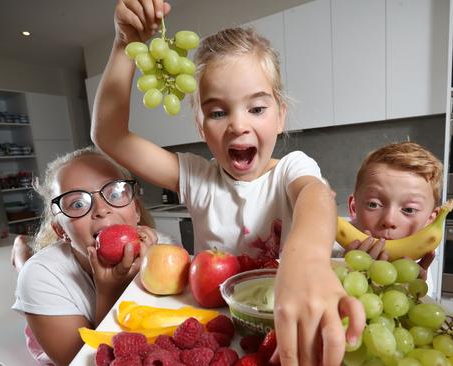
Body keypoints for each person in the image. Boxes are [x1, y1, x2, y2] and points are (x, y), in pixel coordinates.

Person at [91, 1, 366, 364]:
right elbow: (108, 135)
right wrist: (124, 45)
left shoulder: (292, 169)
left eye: (257, 108)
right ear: (201, 127)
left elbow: (315, 198)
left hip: (280, 328)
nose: (238, 125)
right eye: (218, 112)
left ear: (281, 116)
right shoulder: (197, 178)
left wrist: (309, 260)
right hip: (218, 340)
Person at [12, 146, 168, 366]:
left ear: (136, 211)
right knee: (27, 271)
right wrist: (110, 291)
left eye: (115, 193)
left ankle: (22, 252)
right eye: (77, 204)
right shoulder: (40, 277)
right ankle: (22, 254)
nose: (102, 209)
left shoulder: (163, 248)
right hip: (56, 327)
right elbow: (86, 361)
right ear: (61, 231)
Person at [345, 141, 444, 283]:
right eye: (374, 204)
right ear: (354, 207)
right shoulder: (327, 257)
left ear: (431, 219)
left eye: (409, 209)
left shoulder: (417, 272)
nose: (389, 220)